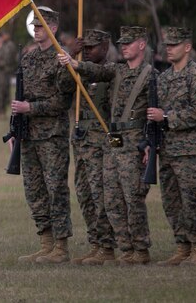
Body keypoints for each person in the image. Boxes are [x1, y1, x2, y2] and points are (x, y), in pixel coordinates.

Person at [60, 25, 155, 265]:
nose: (123, 46)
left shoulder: (150, 74)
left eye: (129, 42)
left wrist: (149, 145)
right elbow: (95, 71)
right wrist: (75, 62)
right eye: (122, 42)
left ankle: (140, 249)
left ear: (141, 45)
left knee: (132, 198)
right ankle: (125, 249)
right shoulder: (117, 70)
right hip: (115, 140)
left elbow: (154, 112)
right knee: (111, 199)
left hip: (134, 141)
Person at [9, 7, 75, 264]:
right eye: (34, 26)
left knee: (55, 188)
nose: (36, 30)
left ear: (53, 28)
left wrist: (32, 108)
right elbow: (19, 97)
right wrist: (14, 128)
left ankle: (61, 246)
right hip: (29, 133)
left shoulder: (61, 58)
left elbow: (63, 102)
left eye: (41, 26)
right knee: (34, 189)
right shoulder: (28, 58)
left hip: (52, 134)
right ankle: (45, 243)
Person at [148, 26, 196, 266]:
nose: (169, 49)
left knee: (192, 199)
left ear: (187, 47)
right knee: (171, 200)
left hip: (190, 151)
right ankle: (182, 246)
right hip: (167, 150)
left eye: (174, 45)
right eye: (167, 45)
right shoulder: (163, 78)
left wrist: (165, 118)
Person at [69, 29, 116, 266]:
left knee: (101, 196)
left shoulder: (111, 70)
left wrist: (77, 65)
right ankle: (95, 244)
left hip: (101, 146)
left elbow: (102, 72)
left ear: (105, 47)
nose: (87, 52)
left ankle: (107, 246)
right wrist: (70, 54)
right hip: (81, 145)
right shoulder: (80, 70)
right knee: (85, 195)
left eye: (92, 47)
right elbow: (61, 84)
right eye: (84, 48)